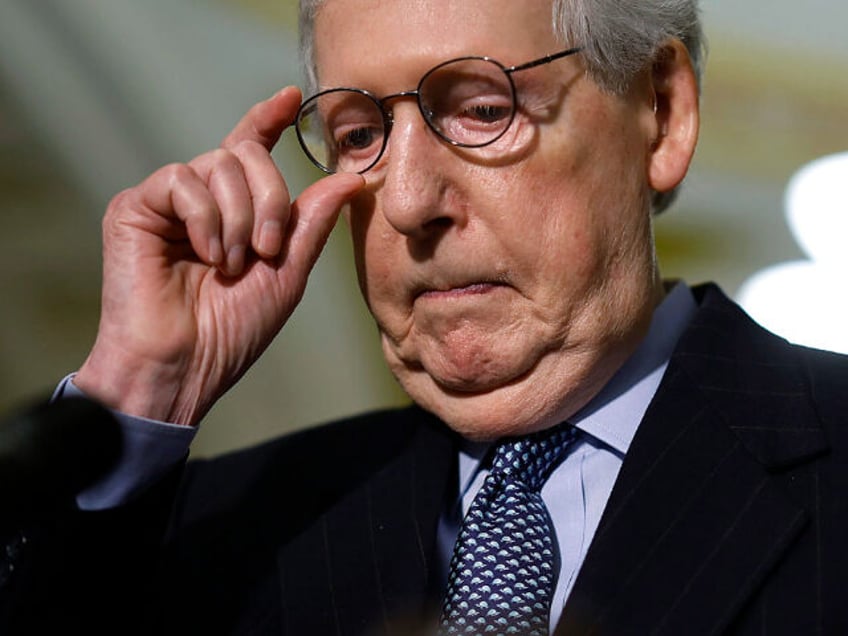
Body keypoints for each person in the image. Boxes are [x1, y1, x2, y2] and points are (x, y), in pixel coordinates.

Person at [2, 0, 847, 634]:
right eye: (360, 133)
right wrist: (142, 387)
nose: (405, 204)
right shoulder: (216, 527)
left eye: (484, 108)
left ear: (662, 111)